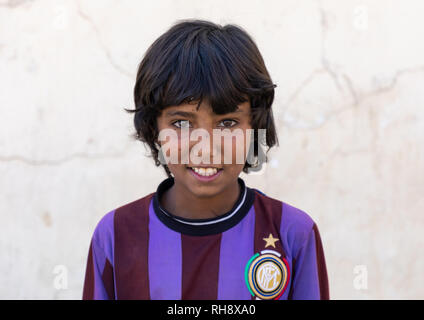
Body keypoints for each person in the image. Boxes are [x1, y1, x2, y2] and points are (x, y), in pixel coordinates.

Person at [82, 19, 329, 300]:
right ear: (154, 129)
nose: (205, 147)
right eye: (181, 124)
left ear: (255, 127)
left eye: (227, 123)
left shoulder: (292, 233)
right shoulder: (116, 235)